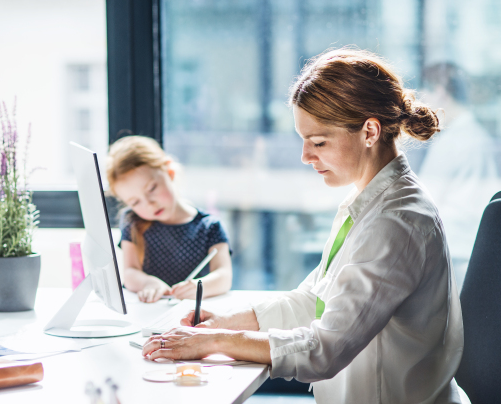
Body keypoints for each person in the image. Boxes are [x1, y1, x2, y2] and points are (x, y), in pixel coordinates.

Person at [141, 49, 468, 404]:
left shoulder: (397, 222)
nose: (305, 156)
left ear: (370, 131)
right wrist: (225, 322)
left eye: (318, 142)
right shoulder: (368, 203)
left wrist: (211, 342)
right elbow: (315, 300)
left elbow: (325, 348)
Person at [106, 135, 233, 303]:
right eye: (135, 202)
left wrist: (199, 287)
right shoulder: (132, 221)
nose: (149, 204)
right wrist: (148, 283)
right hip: (149, 313)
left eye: (151, 188)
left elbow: (224, 276)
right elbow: (130, 273)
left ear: (169, 172)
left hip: (192, 317)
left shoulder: (209, 226)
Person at [419, 63, 497, 290]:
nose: (422, 103)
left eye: (425, 94)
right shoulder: (475, 135)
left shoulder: (455, 140)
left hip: (452, 250)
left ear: (441, 92)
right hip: (466, 248)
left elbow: (423, 201)